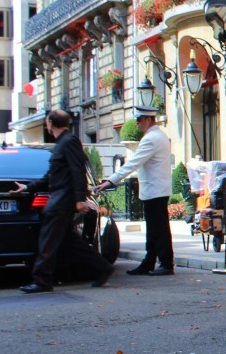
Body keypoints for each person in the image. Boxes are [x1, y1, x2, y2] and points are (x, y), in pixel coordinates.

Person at [12, 109, 113, 293]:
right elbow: (50, 176)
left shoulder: (69, 142)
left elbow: (78, 170)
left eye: (47, 121)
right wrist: (27, 187)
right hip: (60, 199)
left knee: (47, 240)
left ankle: (42, 280)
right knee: (68, 242)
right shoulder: (61, 144)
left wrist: (80, 199)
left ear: (50, 123)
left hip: (62, 201)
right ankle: (102, 268)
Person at [94, 105, 174, 276]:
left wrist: (111, 181)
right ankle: (150, 262)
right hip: (157, 189)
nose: (137, 123)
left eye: (139, 120)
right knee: (154, 229)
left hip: (154, 190)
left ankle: (165, 263)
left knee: (158, 229)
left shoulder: (151, 138)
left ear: (148, 119)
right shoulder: (158, 136)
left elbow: (133, 163)